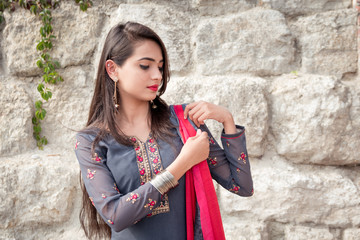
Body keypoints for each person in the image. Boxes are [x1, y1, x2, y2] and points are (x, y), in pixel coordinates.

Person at [74, 21, 253, 240]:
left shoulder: (183, 122)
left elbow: (242, 186)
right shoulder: (91, 141)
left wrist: (227, 120)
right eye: (145, 66)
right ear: (113, 69)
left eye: (160, 66)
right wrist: (181, 165)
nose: (157, 75)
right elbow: (116, 215)